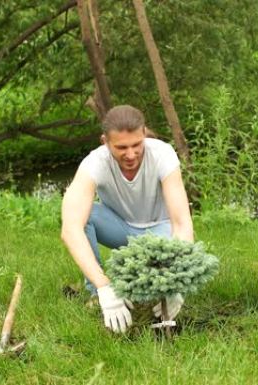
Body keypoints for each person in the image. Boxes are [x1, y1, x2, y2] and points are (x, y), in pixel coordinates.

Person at [61, 105, 194, 333]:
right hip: (119, 229)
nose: (131, 154)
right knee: (85, 216)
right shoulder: (94, 163)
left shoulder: (163, 154)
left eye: (136, 145)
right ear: (105, 141)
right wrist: (104, 286)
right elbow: (70, 229)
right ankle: (97, 294)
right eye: (121, 147)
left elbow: (182, 223)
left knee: (154, 288)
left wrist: (176, 282)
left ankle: (165, 288)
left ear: (144, 133)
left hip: (159, 233)